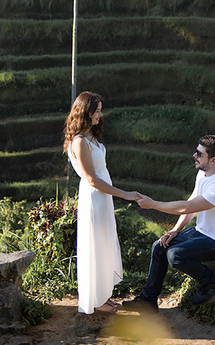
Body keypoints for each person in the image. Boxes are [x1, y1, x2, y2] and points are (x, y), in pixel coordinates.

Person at [124, 134, 215, 313]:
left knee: (175, 255)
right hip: (202, 232)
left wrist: (153, 204)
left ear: (213, 159)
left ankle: (212, 282)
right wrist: (175, 230)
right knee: (160, 246)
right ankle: (148, 300)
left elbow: (187, 206)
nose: (194, 155)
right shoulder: (203, 173)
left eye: (200, 154)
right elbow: (192, 206)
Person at [64, 91, 140, 315]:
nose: (100, 115)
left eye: (100, 110)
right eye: (96, 111)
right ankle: (96, 300)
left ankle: (103, 295)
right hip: (94, 198)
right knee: (95, 246)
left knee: (104, 244)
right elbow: (92, 180)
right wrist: (125, 194)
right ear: (85, 112)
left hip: (102, 199)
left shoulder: (90, 136)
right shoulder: (79, 141)